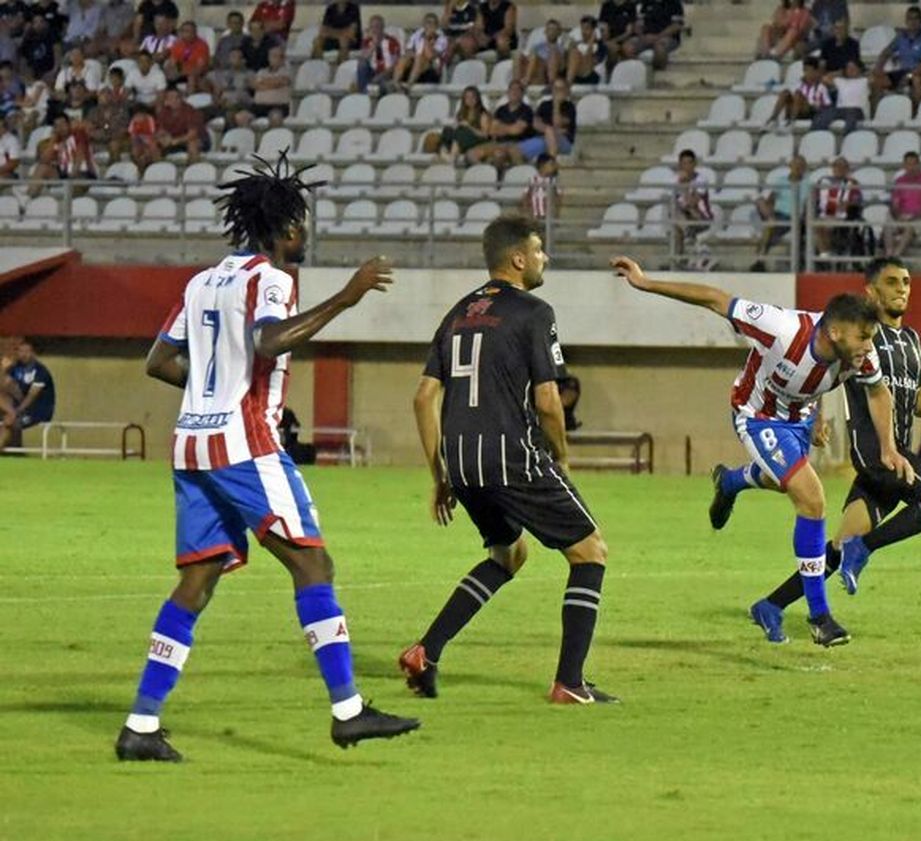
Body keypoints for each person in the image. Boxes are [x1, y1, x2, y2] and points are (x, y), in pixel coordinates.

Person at [118, 153, 417, 763]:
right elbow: (269, 340)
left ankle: (140, 725)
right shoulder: (271, 280)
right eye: (299, 223)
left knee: (196, 581)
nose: (302, 234)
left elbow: (157, 361)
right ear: (283, 228)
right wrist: (346, 298)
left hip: (192, 444)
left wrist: (210, 389)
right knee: (313, 565)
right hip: (245, 444)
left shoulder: (201, 282)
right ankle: (348, 712)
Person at [614, 257, 904, 648]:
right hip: (757, 417)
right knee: (812, 499)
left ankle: (732, 481)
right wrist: (645, 282)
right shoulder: (781, 328)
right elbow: (716, 300)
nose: (870, 346)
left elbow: (877, 391)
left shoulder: (858, 354)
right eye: (863, 337)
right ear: (834, 331)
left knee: (785, 482)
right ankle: (820, 617)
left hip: (798, 420)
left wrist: (887, 446)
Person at [399, 212, 617, 705]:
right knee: (590, 552)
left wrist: (440, 475)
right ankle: (570, 683)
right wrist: (560, 455)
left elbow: (422, 398)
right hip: (511, 456)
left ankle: (426, 651)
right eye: (540, 250)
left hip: (463, 462)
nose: (545, 258)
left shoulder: (456, 313)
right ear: (518, 259)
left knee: (509, 554)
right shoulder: (534, 312)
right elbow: (547, 401)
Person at [749, 257, 921, 639]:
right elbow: (821, 367)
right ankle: (865, 548)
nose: (902, 288)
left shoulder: (912, 341)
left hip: (896, 454)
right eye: (891, 282)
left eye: (906, 281)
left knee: (834, 550)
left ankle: (770, 605)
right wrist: (815, 415)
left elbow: (920, 400)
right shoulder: (862, 337)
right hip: (879, 455)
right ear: (871, 291)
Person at [871, 5, 921, 105]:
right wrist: (878, 68)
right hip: (903, 72)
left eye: (916, 18)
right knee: (876, 81)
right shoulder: (901, 36)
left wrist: (909, 76)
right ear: (906, 21)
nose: (913, 22)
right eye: (910, 18)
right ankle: (876, 115)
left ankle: (916, 115)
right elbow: (886, 52)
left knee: (917, 80)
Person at [754, 154, 810, 271]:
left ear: (804, 168)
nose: (798, 168)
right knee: (760, 201)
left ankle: (760, 260)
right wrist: (770, 212)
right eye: (795, 165)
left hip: (793, 216)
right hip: (777, 213)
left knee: (768, 231)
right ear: (790, 166)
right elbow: (771, 199)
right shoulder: (781, 181)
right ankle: (771, 220)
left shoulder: (808, 184)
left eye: (801, 166)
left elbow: (808, 205)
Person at [466, 79, 534, 167]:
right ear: (508, 92)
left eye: (517, 90)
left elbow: (516, 131)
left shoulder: (526, 110)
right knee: (471, 154)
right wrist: (508, 128)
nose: (514, 92)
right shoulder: (501, 110)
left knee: (499, 155)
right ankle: (484, 170)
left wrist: (501, 127)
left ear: (522, 93)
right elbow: (492, 131)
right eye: (512, 89)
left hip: (515, 144)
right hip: (497, 143)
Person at [0, 339, 54, 448]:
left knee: (10, 422)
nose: (23, 355)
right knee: (6, 386)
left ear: (33, 353)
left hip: (37, 410)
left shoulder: (40, 371)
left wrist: (17, 411)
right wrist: (3, 370)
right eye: (20, 351)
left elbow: (31, 396)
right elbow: (4, 386)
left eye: (27, 351)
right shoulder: (15, 368)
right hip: (18, 407)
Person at [885, 150, 921, 257]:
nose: (911, 167)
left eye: (914, 164)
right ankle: (889, 254)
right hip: (902, 217)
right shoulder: (899, 181)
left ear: (919, 165)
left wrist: (912, 218)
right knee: (888, 227)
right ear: (904, 166)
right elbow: (894, 205)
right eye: (908, 164)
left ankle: (896, 256)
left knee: (909, 228)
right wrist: (898, 217)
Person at [671, 148, 714, 269]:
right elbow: (672, 202)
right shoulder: (674, 180)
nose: (687, 166)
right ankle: (679, 261)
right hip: (684, 218)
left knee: (678, 220)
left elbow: (692, 203)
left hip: (700, 217)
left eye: (690, 163)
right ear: (680, 165)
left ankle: (680, 259)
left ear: (695, 164)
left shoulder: (701, 180)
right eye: (684, 163)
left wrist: (684, 186)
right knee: (675, 221)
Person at [515, 78, 576, 162]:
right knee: (515, 150)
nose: (557, 91)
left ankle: (551, 163)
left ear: (566, 91)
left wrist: (556, 104)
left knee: (548, 134)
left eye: (561, 89)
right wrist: (548, 130)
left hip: (563, 141)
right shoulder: (544, 105)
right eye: (555, 88)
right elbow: (535, 123)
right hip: (543, 137)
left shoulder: (570, 107)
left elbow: (557, 123)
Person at [769, 55, 829, 128]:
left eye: (809, 70)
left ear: (816, 71)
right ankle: (773, 118)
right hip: (797, 108)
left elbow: (825, 105)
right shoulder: (799, 83)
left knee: (798, 94)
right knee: (785, 92)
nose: (806, 73)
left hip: (810, 112)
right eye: (805, 70)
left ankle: (791, 122)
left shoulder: (821, 86)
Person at [154, 86, 206, 163]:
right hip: (173, 140)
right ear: (166, 101)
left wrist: (175, 141)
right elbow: (160, 130)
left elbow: (192, 134)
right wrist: (163, 138)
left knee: (192, 144)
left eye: (177, 98)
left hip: (195, 139)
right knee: (153, 144)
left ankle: (192, 171)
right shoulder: (164, 112)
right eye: (171, 98)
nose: (175, 100)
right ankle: (159, 171)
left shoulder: (190, 111)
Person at [394, 13, 447, 89]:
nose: (430, 25)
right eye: (428, 22)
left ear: (437, 25)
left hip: (432, 67)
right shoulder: (417, 34)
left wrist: (426, 39)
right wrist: (414, 55)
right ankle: (395, 83)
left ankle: (409, 85)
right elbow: (408, 50)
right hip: (415, 64)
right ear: (424, 24)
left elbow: (430, 56)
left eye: (433, 23)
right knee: (404, 58)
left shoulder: (441, 38)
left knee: (419, 58)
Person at [631, 0, 684, 70]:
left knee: (659, 48)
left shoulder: (675, 4)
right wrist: (642, 37)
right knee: (628, 47)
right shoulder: (646, 3)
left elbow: (676, 26)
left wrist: (657, 37)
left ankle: (659, 75)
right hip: (646, 37)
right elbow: (639, 23)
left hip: (667, 37)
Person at [355, 14, 402, 94]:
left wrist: (382, 75)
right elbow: (364, 59)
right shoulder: (367, 41)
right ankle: (364, 92)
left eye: (377, 26)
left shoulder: (392, 41)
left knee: (382, 84)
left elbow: (396, 64)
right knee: (362, 63)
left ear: (382, 28)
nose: (374, 30)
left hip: (387, 73)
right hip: (372, 72)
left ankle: (363, 92)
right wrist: (374, 45)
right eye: (372, 27)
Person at [566, 16, 608, 86]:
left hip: (592, 76)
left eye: (587, 28)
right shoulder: (576, 44)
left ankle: (567, 85)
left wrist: (591, 43)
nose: (583, 32)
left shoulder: (601, 47)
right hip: (575, 75)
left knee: (575, 54)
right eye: (582, 28)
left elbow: (592, 63)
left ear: (594, 30)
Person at [522, 151, 561, 222]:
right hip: (534, 214)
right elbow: (525, 195)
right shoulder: (532, 179)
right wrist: (526, 210)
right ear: (542, 165)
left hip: (548, 214)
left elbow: (559, 196)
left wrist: (557, 211)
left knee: (547, 230)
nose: (554, 167)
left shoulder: (553, 180)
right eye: (551, 165)